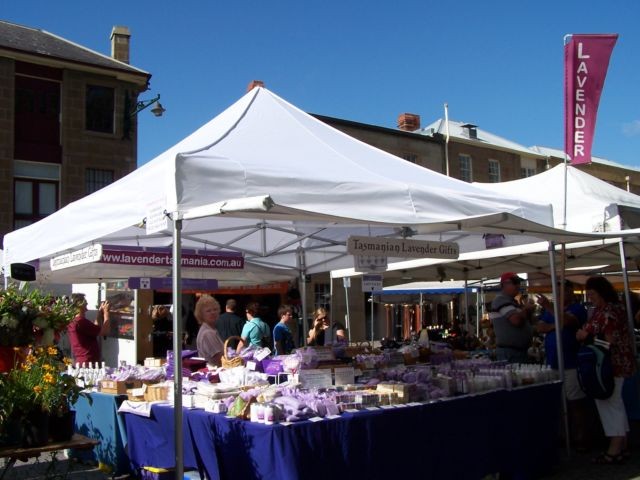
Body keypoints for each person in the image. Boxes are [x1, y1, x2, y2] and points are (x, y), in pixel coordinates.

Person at [576, 276, 635, 464]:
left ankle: (615, 448)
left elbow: (609, 340)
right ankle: (622, 445)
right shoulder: (610, 309)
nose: (590, 297)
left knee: (610, 404)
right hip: (613, 363)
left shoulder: (609, 310)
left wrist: (585, 335)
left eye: (593, 294)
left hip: (610, 364)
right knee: (615, 404)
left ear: (601, 292)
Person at [536, 280, 590, 450]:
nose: (561, 295)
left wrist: (550, 308)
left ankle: (580, 437)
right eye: (558, 292)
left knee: (575, 402)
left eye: (563, 292)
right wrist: (554, 325)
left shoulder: (577, 309)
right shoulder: (550, 310)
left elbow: (568, 322)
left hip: (571, 361)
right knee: (557, 402)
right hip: (553, 361)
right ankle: (562, 434)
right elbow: (540, 327)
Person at [489, 272, 533, 363]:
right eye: (514, 282)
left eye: (518, 282)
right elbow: (516, 320)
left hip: (517, 352)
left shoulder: (513, 302)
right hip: (510, 353)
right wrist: (526, 309)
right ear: (504, 284)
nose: (517, 285)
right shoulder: (501, 300)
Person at [67, 294, 111, 364]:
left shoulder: (74, 321)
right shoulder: (81, 322)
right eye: (85, 304)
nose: (86, 307)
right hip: (88, 361)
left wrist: (100, 313)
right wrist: (106, 312)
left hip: (82, 360)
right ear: (80, 305)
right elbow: (105, 331)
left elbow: (94, 329)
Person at [195, 295, 224, 367]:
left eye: (215, 309)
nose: (213, 312)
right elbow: (221, 359)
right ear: (201, 314)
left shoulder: (208, 329)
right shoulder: (208, 333)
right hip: (214, 372)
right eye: (208, 311)